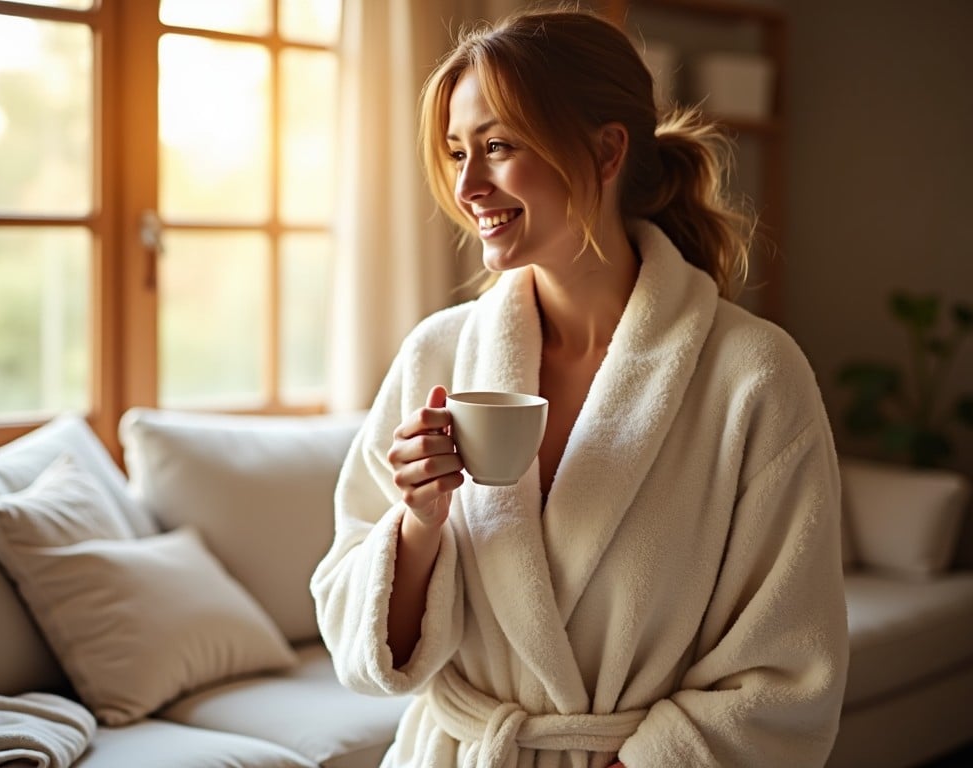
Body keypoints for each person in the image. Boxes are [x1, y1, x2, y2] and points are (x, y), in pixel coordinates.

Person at [311, 7, 848, 768]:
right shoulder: (439, 353)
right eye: (457, 151)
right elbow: (355, 643)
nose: (467, 185)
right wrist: (419, 523)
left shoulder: (753, 376)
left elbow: (788, 671)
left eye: (497, 147)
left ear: (605, 151)